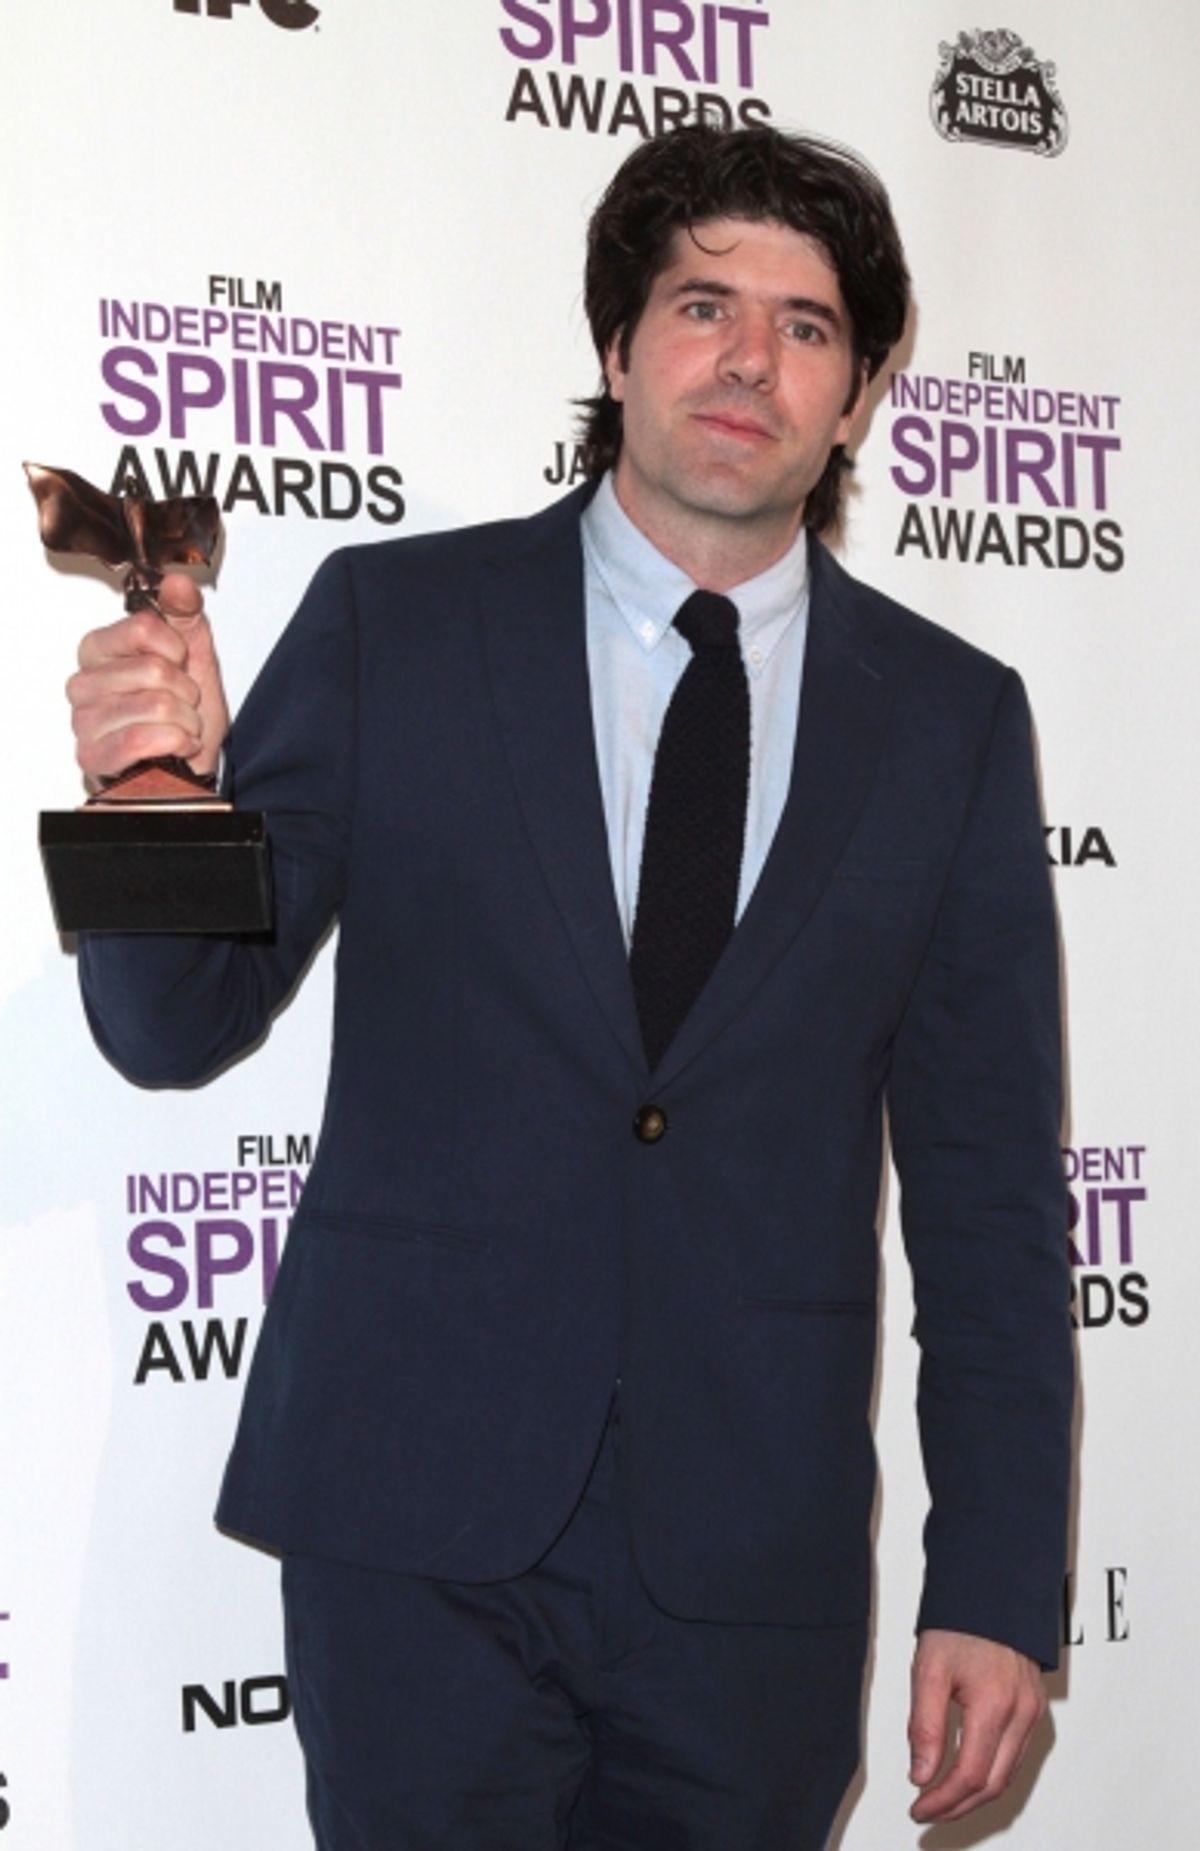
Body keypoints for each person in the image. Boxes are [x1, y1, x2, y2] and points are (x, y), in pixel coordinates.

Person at [68, 124, 1073, 1850]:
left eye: (809, 326)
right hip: (413, 1529)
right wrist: (148, 798)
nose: (751, 356)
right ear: (617, 351)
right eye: (703, 304)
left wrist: (995, 1580)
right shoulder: (396, 624)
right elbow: (170, 1032)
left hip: (750, 1566)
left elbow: (989, 1197)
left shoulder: (952, 723)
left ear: (855, 397)